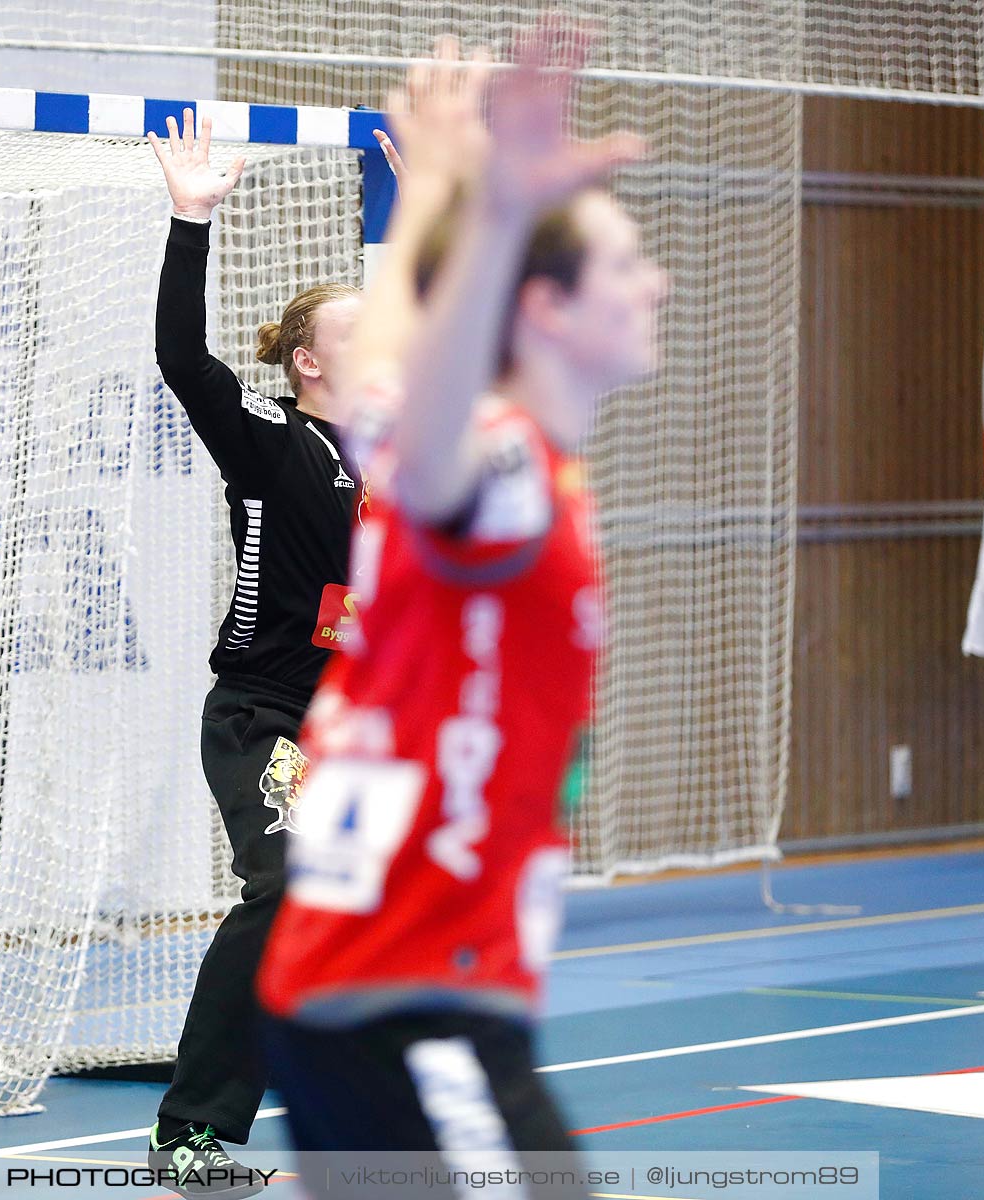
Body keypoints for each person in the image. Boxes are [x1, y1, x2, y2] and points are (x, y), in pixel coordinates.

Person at [256, 25, 663, 1197]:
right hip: (411, 994)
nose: (658, 284)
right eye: (627, 265)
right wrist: (487, 213)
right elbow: (428, 444)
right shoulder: (494, 468)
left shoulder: (476, 452)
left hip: (358, 983)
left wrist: (430, 183)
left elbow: (384, 378)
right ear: (544, 306)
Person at [143, 107, 370, 1198]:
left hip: (353, 729)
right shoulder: (275, 443)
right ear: (317, 363)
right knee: (284, 883)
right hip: (263, 716)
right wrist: (193, 224)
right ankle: (191, 1135)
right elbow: (186, 359)